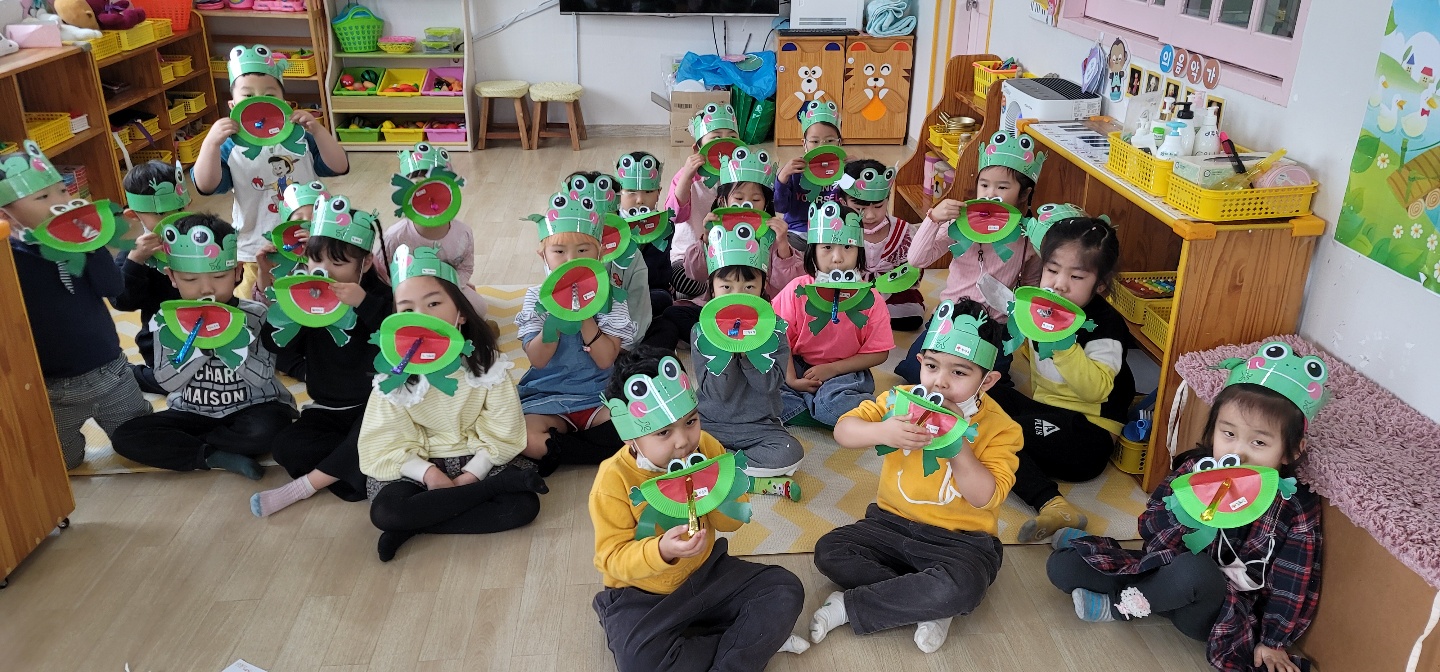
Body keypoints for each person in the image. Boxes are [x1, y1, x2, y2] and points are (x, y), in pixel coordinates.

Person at [1047, 341, 1329, 672]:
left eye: (1259, 442)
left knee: (1194, 571)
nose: (1238, 453)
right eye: (1228, 434)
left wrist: (1273, 641)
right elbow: (1149, 529)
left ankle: (1119, 607)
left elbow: (1293, 582)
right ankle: (1135, 585)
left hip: (1214, 609)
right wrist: (1181, 512)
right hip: (1165, 570)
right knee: (1062, 567)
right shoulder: (1196, 470)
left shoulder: (1294, 506)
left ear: (1292, 451)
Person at [812, 298, 1022, 653]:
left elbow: (984, 497)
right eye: (932, 366)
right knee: (829, 550)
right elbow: (844, 431)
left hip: (961, 542)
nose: (940, 382)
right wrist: (882, 431)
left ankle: (852, 606)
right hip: (889, 524)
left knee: (962, 585)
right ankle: (928, 602)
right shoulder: (900, 399)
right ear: (921, 362)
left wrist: (958, 445)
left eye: (959, 373)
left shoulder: (1002, 427)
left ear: (987, 381)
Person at [589, 347, 808, 671]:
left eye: (690, 421)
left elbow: (732, 522)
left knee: (784, 589)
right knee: (640, 663)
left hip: (707, 573)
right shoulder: (613, 479)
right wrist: (661, 551)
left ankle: (732, 650)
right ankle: (748, 641)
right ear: (630, 439)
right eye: (663, 432)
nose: (683, 441)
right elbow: (611, 558)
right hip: (644, 593)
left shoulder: (707, 446)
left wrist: (716, 494)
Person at [359, 245, 546, 562]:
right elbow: (386, 439)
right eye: (407, 309)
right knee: (386, 512)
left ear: (460, 313)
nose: (421, 317)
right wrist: (429, 475)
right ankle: (436, 510)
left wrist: (471, 476)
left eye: (433, 303)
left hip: (477, 458)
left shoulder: (488, 366)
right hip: (417, 468)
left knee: (524, 506)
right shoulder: (393, 376)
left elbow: (503, 428)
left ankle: (415, 524)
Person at [1, 140, 151, 470]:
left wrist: (92, 244)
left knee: (142, 443)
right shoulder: (9, 259)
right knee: (62, 464)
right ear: (4, 214)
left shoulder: (81, 240)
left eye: (62, 191)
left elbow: (113, 288)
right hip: (53, 387)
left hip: (111, 372)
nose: (61, 202)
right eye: (43, 197)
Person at [111, 214, 297, 478]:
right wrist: (200, 349)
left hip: (254, 406)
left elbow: (263, 377)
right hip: (192, 412)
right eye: (190, 280)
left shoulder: (256, 315)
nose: (205, 289)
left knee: (270, 430)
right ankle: (214, 455)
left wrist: (229, 347)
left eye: (219, 276)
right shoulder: (165, 321)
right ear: (172, 277)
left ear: (237, 272)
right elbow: (167, 382)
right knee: (125, 436)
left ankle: (194, 448)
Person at [989, 214, 1135, 542]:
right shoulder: (1044, 307)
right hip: (1048, 413)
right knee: (981, 396)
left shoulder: (1105, 326)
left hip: (1087, 434)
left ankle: (1054, 505)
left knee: (996, 434)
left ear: (1100, 284)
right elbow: (1033, 360)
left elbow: (1097, 389)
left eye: (1077, 276)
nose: (1059, 284)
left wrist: (1065, 345)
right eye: (1052, 270)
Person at [250, 194, 392, 516]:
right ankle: (359, 472)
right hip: (327, 409)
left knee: (372, 432)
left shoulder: (382, 297)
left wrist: (363, 303)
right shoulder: (305, 295)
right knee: (285, 448)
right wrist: (282, 301)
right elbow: (276, 347)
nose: (324, 272)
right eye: (316, 262)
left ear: (365, 263)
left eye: (338, 264)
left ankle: (307, 485)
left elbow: (398, 340)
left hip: (375, 406)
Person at [192, 44, 349, 301]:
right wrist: (210, 144)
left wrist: (318, 130)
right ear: (233, 105)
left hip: (309, 241)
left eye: (269, 94)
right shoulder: (231, 146)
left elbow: (339, 166)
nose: (259, 101)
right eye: (248, 95)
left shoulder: (300, 137)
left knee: (314, 298)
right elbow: (205, 185)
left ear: (283, 103)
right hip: (255, 248)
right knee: (255, 303)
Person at [898, 130, 1045, 383]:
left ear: (1024, 194)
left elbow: (1031, 283)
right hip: (951, 315)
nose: (989, 193)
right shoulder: (961, 222)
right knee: (915, 372)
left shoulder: (1028, 235)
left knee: (986, 384)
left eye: (1002, 187)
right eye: (984, 185)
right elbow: (917, 259)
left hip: (995, 325)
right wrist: (933, 219)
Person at [517, 192, 636, 475]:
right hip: (548, 397)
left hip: (599, 396)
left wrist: (584, 312)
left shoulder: (613, 297)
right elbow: (538, 360)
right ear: (543, 256)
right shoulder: (535, 297)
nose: (571, 260)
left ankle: (562, 450)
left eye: (583, 251)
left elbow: (605, 359)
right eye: (559, 252)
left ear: (599, 254)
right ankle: (595, 450)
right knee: (521, 436)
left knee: (637, 422)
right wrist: (558, 312)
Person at [688, 208, 804, 499]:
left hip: (760, 426)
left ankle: (719, 471)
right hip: (711, 423)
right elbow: (717, 393)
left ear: (763, 287)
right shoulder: (701, 331)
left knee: (790, 452)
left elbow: (769, 385)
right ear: (712, 289)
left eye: (749, 286)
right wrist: (727, 346)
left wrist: (749, 347)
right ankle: (749, 479)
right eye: (726, 287)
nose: (738, 295)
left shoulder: (775, 329)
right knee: (673, 449)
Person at [643, 146, 802, 351]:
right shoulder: (717, 230)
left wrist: (782, 245)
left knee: (784, 325)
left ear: (765, 204)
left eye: (755, 200)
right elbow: (695, 274)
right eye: (738, 198)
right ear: (723, 200)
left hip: (758, 312)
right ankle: (727, 341)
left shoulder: (770, 234)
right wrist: (706, 239)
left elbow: (786, 285)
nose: (747, 205)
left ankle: (724, 342)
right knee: (673, 314)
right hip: (717, 310)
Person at [772, 202, 894, 427]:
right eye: (827, 247)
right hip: (797, 364)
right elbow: (780, 338)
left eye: (847, 247)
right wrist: (791, 379)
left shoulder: (871, 297)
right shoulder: (796, 289)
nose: (837, 257)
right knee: (761, 389)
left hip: (847, 370)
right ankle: (824, 411)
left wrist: (833, 369)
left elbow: (879, 352)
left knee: (831, 402)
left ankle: (820, 408)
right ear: (813, 251)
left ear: (859, 251)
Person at [112, 160, 191, 394]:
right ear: (134, 215)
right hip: (161, 340)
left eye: (179, 209)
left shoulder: (202, 237)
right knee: (178, 384)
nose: (173, 219)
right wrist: (136, 261)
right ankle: (133, 375)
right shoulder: (133, 255)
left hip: (207, 329)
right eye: (161, 213)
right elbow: (122, 301)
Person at [382, 142, 487, 317]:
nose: (429, 199)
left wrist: (456, 284)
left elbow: (466, 267)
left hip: (447, 288)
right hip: (408, 293)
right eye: (420, 191)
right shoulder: (395, 236)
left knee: (479, 308)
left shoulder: (463, 233)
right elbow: (382, 271)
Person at [832, 159, 924, 331]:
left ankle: (872, 319)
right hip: (851, 291)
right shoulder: (835, 231)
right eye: (859, 208)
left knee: (912, 314)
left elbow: (915, 267)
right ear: (843, 202)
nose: (870, 215)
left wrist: (905, 274)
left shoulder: (904, 231)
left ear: (887, 199)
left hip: (892, 294)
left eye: (878, 206)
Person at [561, 170, 653, 337]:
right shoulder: (561, 256)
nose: (594, 234)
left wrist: (616, 346)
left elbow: (639, 312)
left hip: (621, 336)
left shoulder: (631, 256)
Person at [665, 103, 740, 298]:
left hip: (729, 254)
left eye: (732, 138)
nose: (724, 144)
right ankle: (707, 290)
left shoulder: (741, 177)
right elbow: (674, 215)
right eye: (716, 138)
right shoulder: (686, 178)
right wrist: (687, 177)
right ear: (697, 149)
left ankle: (715, 289)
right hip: (688, 255)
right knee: (685, 280)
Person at [775, 100, 843, 249]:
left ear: (839, 142)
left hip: (834, 232)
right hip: (798, 232)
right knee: (782, 247)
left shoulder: (844, 169)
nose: (822, 146)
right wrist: (783, 177)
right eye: (814, 141)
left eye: (830, 140)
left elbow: (856, 205)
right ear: (804, 144)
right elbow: (780, 207)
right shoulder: (794, 171)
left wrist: (855, 172)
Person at [616, 150, 674, 317]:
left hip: (650, 289)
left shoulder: (665, 226)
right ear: (619, 193)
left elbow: (658, 271)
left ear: (659, 193)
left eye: (648, 192)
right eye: (631, 191)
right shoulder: (610, 225)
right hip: (616, 289)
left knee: (662, 300)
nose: (640, 199)